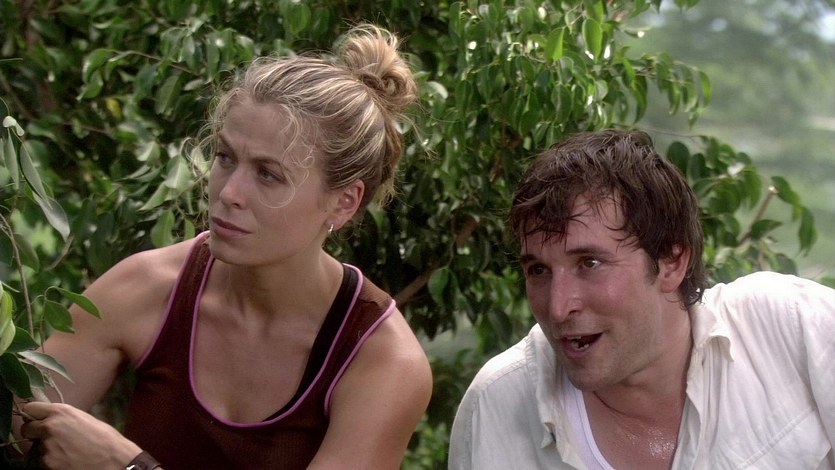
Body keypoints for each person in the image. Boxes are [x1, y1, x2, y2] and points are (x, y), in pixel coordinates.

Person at [15, 24, 433, 470]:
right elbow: (16, 432)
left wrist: (128, 467)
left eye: (268, 174)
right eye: (225, 157)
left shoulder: (379, 359)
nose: (229, 192)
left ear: (344, 202)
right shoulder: (148, 288)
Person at [448, 129, 835, 469]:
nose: (557, 307)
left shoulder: (792, 327)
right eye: (538, 270)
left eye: (590, 263)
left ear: (672, 262)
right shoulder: (496, 406)